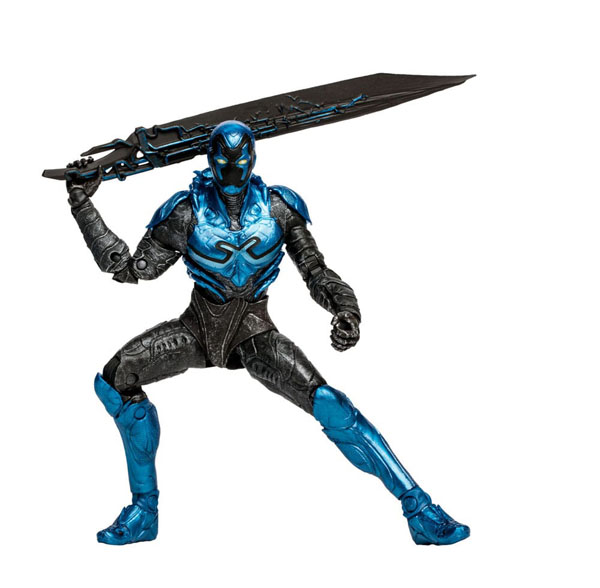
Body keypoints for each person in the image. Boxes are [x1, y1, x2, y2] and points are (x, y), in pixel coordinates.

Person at [67, 120, 469, 546]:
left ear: (253, 159)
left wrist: (345, 308)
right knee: (116, 380)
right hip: (198, 328)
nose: (232, 170)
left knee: (330, 403)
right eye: (223, 161)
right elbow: (131, 269)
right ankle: (144, 512)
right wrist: (82, 205)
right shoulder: (185, 211)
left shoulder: (278, 208)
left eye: (240, 161)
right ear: (210, 161)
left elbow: (315, 270)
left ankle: (420, 509)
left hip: (253, 332)